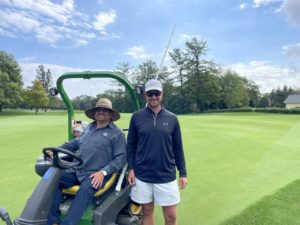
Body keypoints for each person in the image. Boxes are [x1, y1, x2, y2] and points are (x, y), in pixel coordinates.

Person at [47, 98, 127, 225]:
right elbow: (74, 143)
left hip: (97, 173)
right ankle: (53, 221)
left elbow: (121, 158)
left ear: (110, 114)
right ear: (94, 112)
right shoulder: (89, 127)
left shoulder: (117, 134)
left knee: (84, 190)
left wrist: (103, 172)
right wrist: (56, 149)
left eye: (105, 110)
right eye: (98, 109)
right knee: (53, 179)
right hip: (78, 169)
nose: (101, 112)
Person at [127, 79, 188, 225]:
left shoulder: (172, 118)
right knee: (147, 212)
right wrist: (131, 168)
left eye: (156, 93)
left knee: (171, 217)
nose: (153, 97)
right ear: (145, 95)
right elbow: (131, 145)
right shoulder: (137, 117)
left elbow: (178, 147)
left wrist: (183, 173)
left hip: (166, 174)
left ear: (162, 94)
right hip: (143, 174)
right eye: (150, 93)